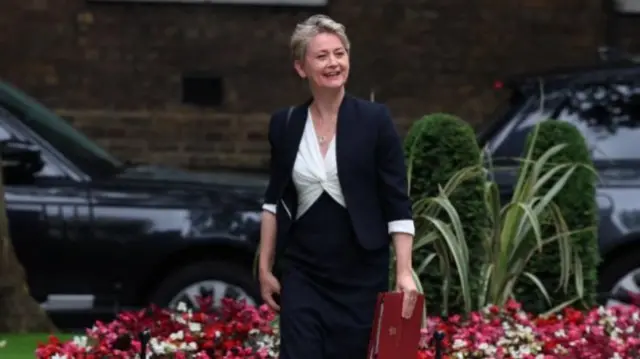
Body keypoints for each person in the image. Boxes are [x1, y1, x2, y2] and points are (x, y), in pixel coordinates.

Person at [258, 14, 418, 359]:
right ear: (301, 68)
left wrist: (404, 272)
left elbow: (397, 203)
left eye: (340, 53)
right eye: (322, 56)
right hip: (303, 271)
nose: (334, 63)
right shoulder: (284, 125)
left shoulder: (376, 121)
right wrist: (265, 268)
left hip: (361, 272)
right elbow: (274, 201)